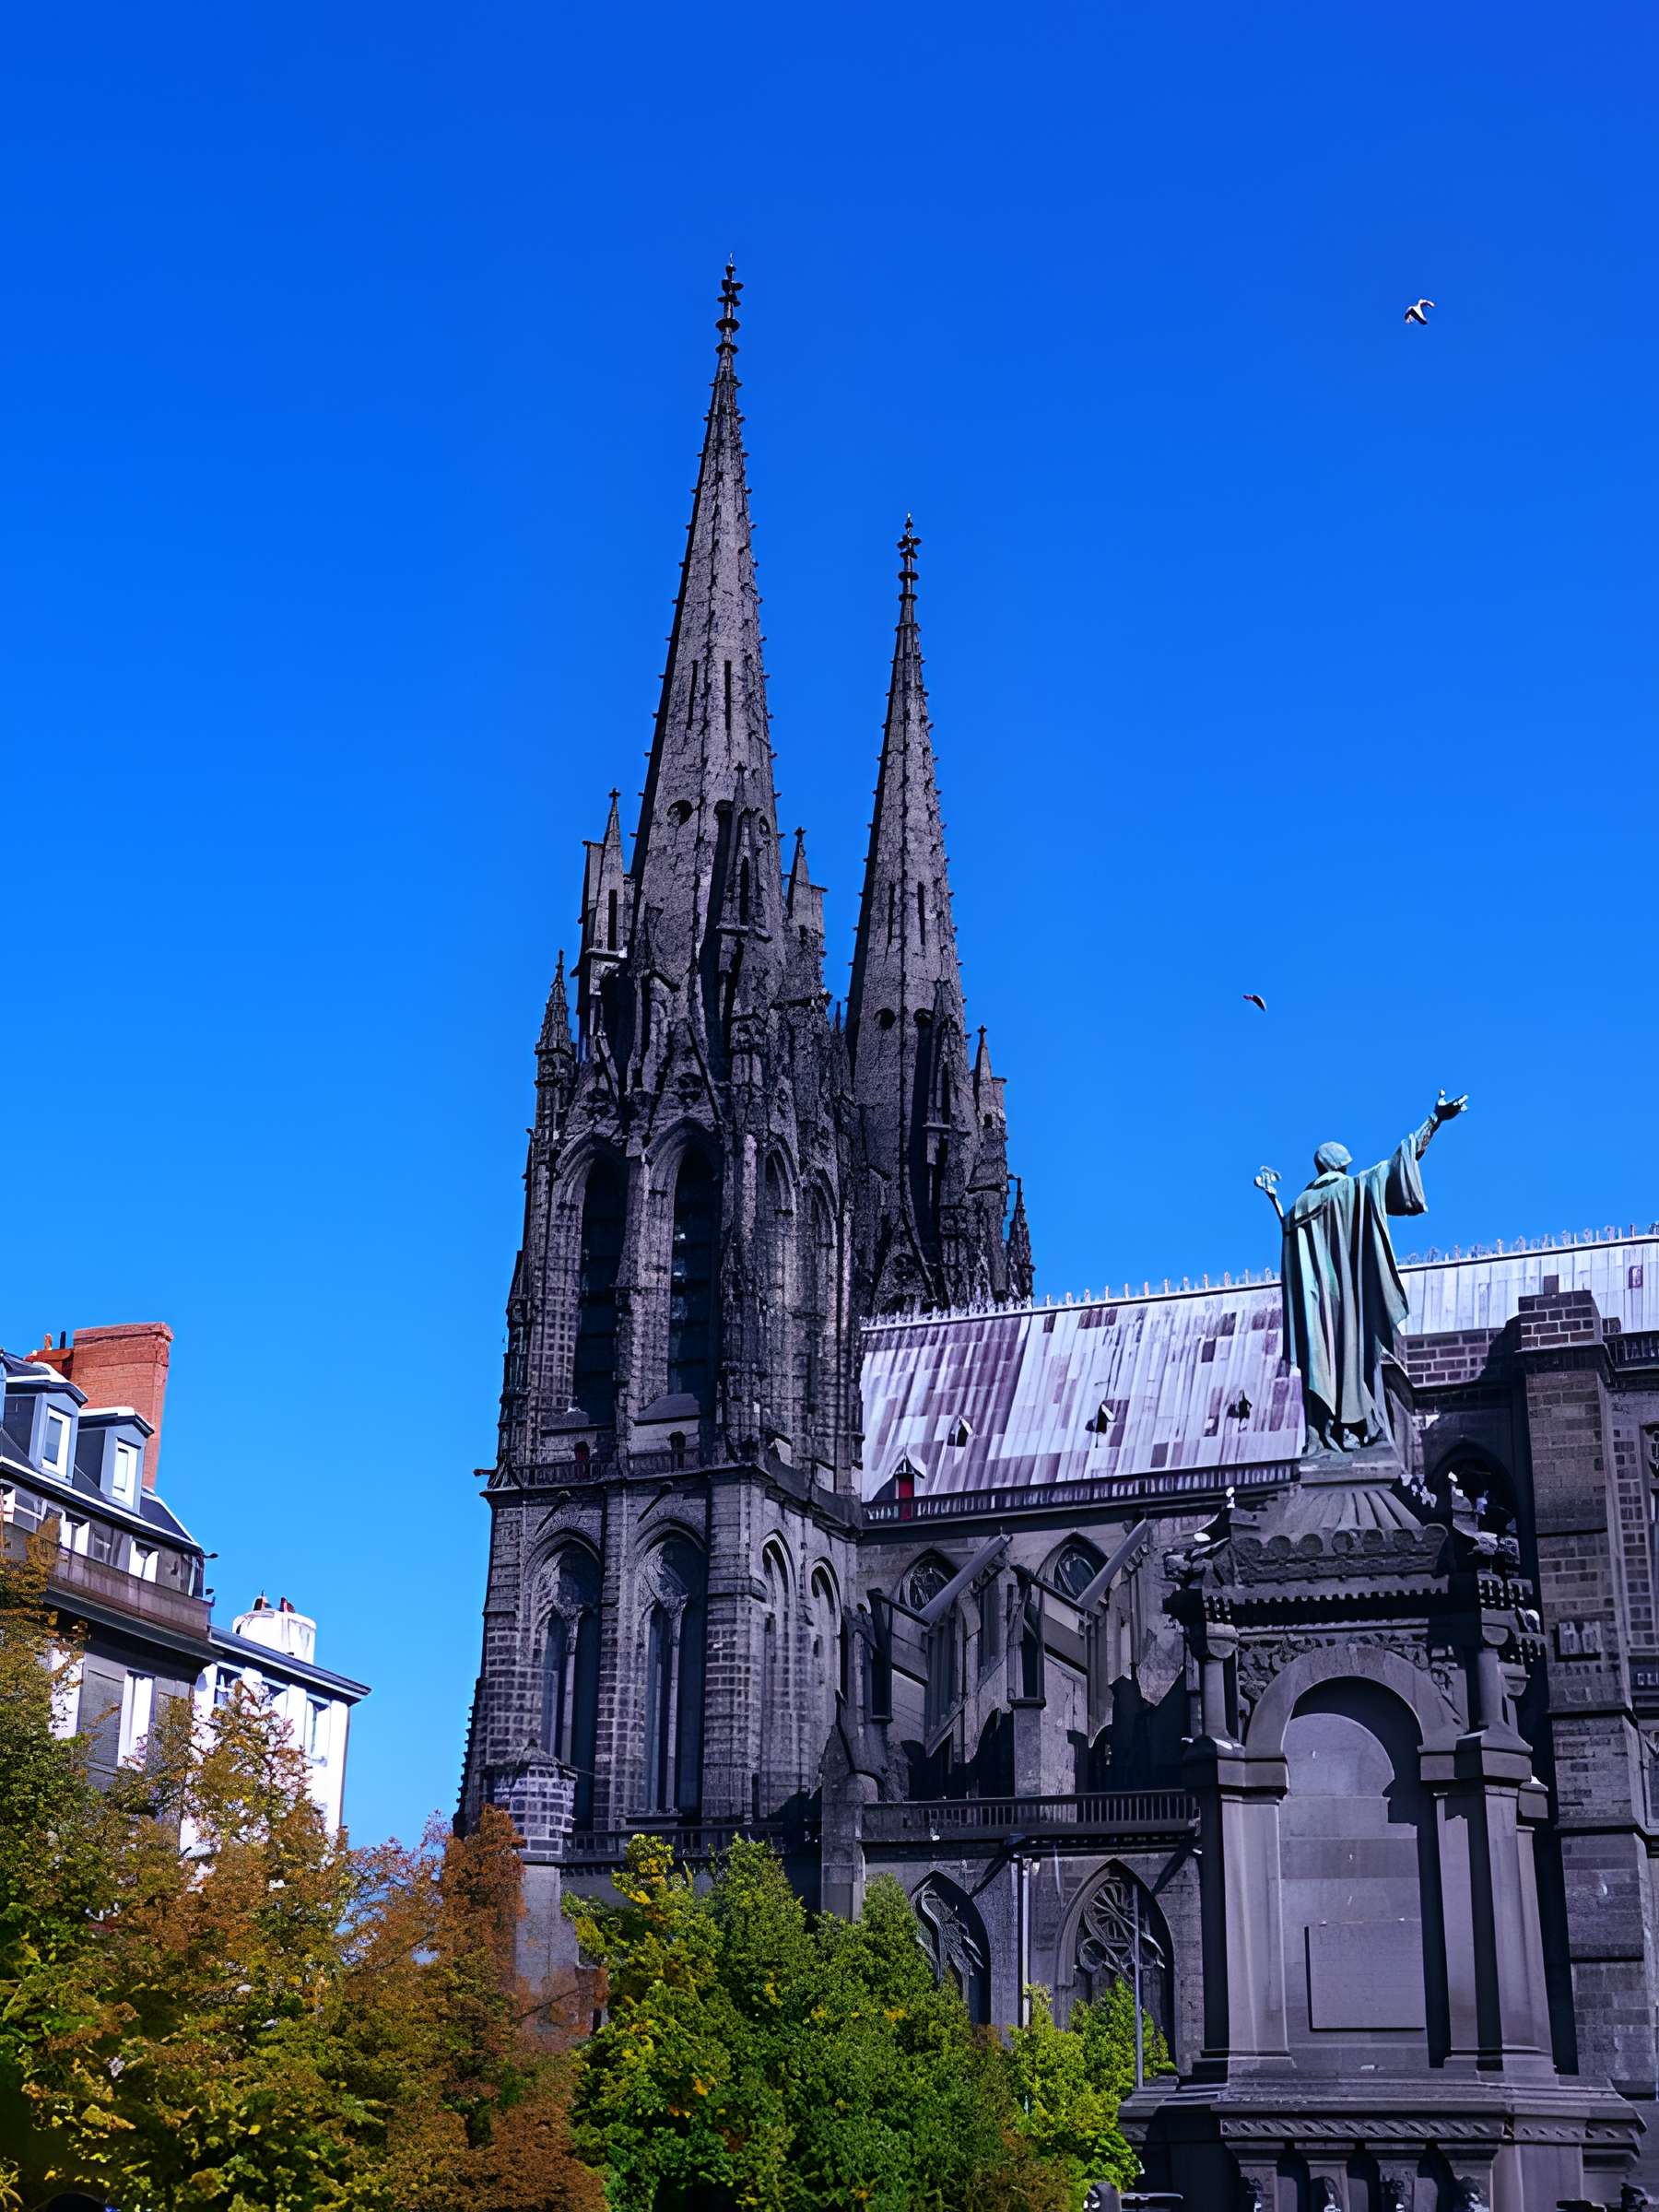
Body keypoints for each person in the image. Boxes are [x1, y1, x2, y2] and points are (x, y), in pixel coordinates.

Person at [1255, 1091, 1468, 1456]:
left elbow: (1292, 1252)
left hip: (1318, 1312)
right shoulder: (1356, 1188)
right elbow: (1404, 1159)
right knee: (1355, 1358)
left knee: (1321, 1363)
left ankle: (1320, 1434)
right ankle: (1356, 1428)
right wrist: (1434, 1119)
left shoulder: (1299, 1209)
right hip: (1351, 1304)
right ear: (1340, 1165)